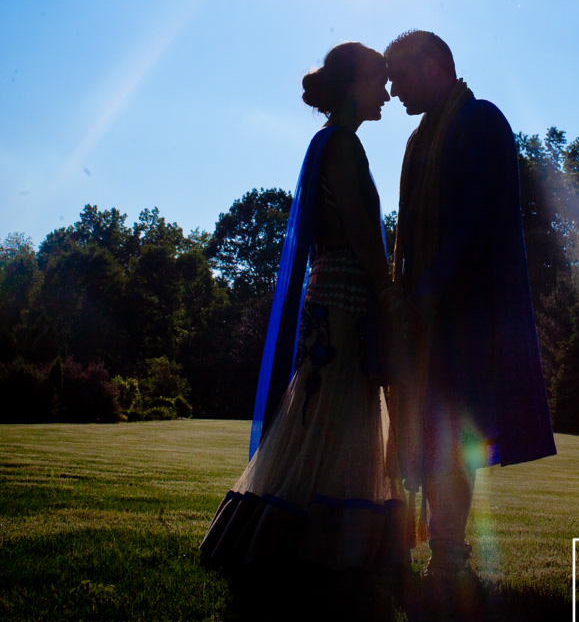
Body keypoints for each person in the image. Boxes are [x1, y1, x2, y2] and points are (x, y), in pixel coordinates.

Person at [201, 42, 405, 572]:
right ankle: (316, 553)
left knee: (324, 416)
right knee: (332, 412)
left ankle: (315, 547)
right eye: (379, 80)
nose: (386, 92)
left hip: (331, 298)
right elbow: (361, 231)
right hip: (342, 301)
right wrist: (386, 290)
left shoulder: (331, 142)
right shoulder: (342, 145)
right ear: (355, 84)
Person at [385, 30, 556, 577]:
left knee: (453, 433)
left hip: (465, 316)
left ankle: (450, 553)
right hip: (427, 316)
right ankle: (443, 549)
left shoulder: (480, 121)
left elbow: (478, 221)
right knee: (431, 430)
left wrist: (430, 291)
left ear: (434, 66)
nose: (392, 91)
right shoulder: (422, 138)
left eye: (400, 76)